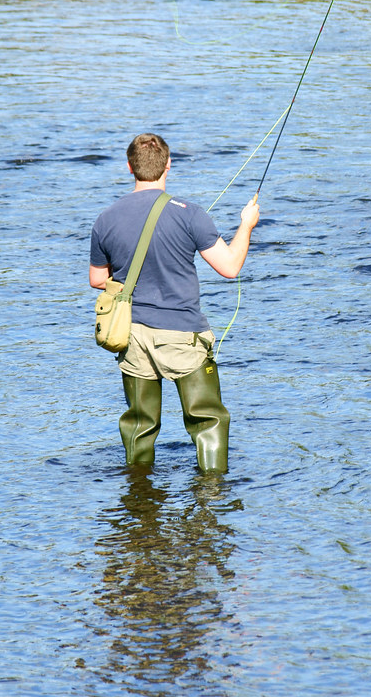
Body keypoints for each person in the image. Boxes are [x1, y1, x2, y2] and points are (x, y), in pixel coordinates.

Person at [90, 132, 260, 474]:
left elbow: (97, 280)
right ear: (168, 166)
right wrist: (247, 224)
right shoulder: (190, 214)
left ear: (129, 167)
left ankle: (139, 501)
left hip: (132, 336)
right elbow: (229, 267)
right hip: (183, 336)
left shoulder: (106, 218)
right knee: (207, 420)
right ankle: (211, 499)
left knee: (139, 425)